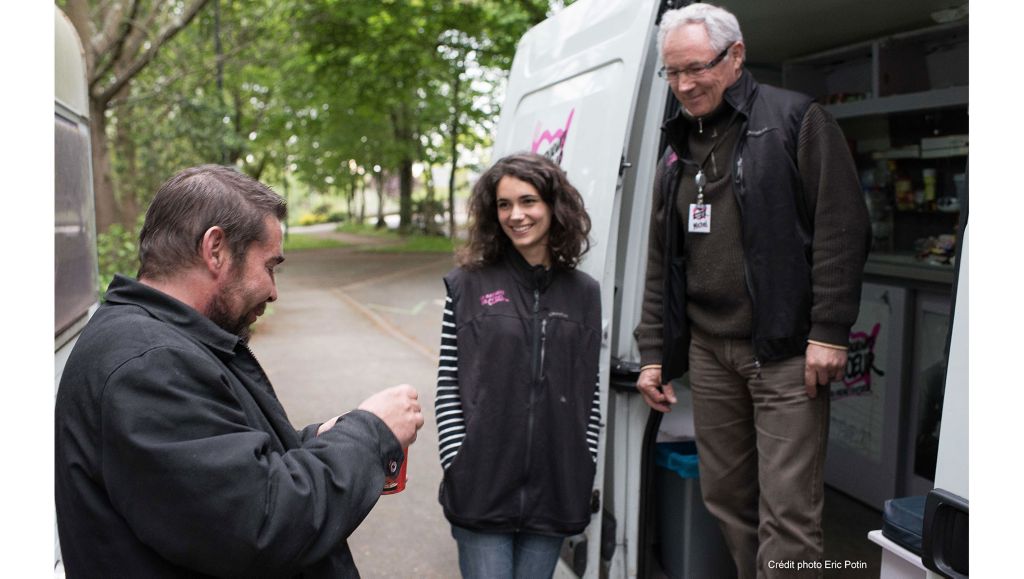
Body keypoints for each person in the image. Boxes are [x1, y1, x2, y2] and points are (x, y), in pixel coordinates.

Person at [54, 165, 425, 578]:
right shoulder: (147, 365)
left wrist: (321, 438)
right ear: (216, 249)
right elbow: (262, 524)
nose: (273, 290)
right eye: (270, 266)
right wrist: (370, 433)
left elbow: (215, 471)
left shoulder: (160, 341)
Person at [633, 4, 871, 578]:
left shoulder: (797, 120)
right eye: (673, 72)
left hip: (785, 353)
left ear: (735, 56)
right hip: (711, 356)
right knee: (726, 498)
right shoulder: (677, 149)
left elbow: (842, 227)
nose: (684, 84)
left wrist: (830, 331)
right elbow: (662, 261)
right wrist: (653, 353)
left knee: (788, 514)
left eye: (696, 67)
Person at [434, 153, 602, 579]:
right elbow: (450, 382)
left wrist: (584, 459)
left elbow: (589, 389)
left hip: (557, 485)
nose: (516, 215)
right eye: (504, 205)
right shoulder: (467, 284)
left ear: (553, 206)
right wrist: (458, 458)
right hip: (482, 483)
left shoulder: (584, 293)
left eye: (528, 201)